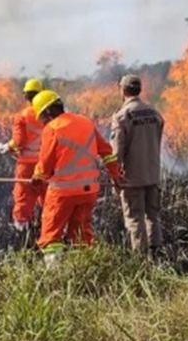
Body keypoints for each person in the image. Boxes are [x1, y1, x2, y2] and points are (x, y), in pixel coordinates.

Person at [30, 89, 121, 264]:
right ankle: (87, 271)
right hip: (89, 192)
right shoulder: (86, 122)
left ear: (48, 112)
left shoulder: (52, 128)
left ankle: (55, 274)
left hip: (62, 192)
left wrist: (37, 176)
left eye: (41, 117)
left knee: (51, 236)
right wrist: (115, 176)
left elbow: (45, 165)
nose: (42, 122)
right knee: (82, 236)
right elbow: (107, 152)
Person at [110, 74, 165, 256]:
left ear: (123, 90)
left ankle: (140, 260)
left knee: (135, 219)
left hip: (132, 178)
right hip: (153, 175)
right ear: (139, 90)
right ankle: (156, 256)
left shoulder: (122, 116)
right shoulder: (154, 113)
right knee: (153, 217)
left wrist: (116, 178)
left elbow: (117, 153)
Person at [0, 78, 46, 231]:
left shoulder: (22, 116)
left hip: (27, 165)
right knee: (48, 197)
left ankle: (21, 231)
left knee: (23, 197)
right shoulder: (50, 115)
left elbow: (18, 142)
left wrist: (5, 147)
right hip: (47, 164)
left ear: (26, 96)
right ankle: (49, 228)